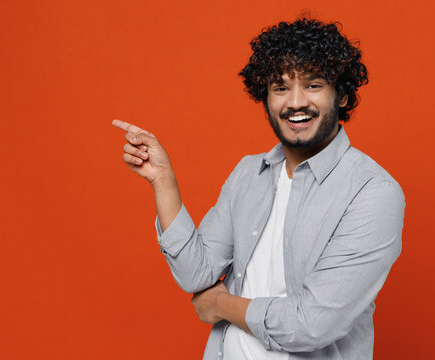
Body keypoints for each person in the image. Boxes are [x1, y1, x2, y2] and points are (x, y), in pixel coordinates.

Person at [112, 18, 405, 360]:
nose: (295, 102)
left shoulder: (373, 192)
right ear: (265, 98)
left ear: (340, 95)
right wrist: (163, 181)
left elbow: (311, 325)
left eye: (313, 85)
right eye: (280, 88)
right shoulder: (249, 173)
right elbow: (197, 274)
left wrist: (220, 304)